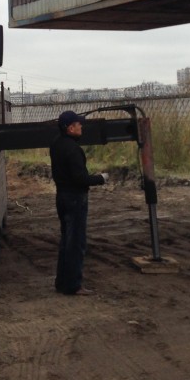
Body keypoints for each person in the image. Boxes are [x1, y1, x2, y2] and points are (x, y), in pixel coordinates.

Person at [50, 110, 109, 296]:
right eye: (78, 124)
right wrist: (101, 178)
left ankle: (62, 282)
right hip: (75, 199)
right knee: (76, 243)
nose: (81, 126)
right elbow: (80, 178)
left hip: (62, 197)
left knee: (66, 241)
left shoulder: (56, 145)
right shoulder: (73, 149)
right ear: (70, 128)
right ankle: (73, 285)